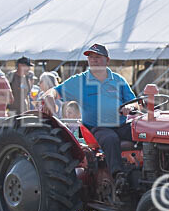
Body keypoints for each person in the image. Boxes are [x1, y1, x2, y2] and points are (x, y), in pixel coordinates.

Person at [43, 43, 136, 177]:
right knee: (110, 139)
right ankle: (118, 176)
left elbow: (135, 103)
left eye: (97, 57)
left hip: (121, 125)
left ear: (107, 60)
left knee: (143, 132)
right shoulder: (80, 81)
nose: (94, 60)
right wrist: (49, 96)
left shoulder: (118, 79)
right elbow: (54, 91)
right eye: (91, 57)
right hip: (98, 127)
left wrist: (130, 107)